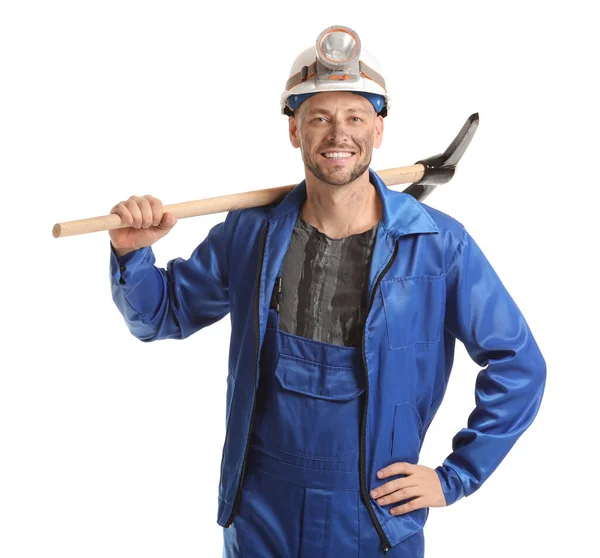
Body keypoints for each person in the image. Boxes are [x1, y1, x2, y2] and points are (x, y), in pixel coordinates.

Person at [108, 25, 546, 557]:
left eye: (355, 116)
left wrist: (455, 477)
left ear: (379, 130)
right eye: (318, 117)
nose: (339, 133)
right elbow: (162, 315)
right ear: (295, 130)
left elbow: (519, 365)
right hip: (260, 513)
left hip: (375, 517)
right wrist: (133, 254)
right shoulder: (251, 233)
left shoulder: (437, 246)